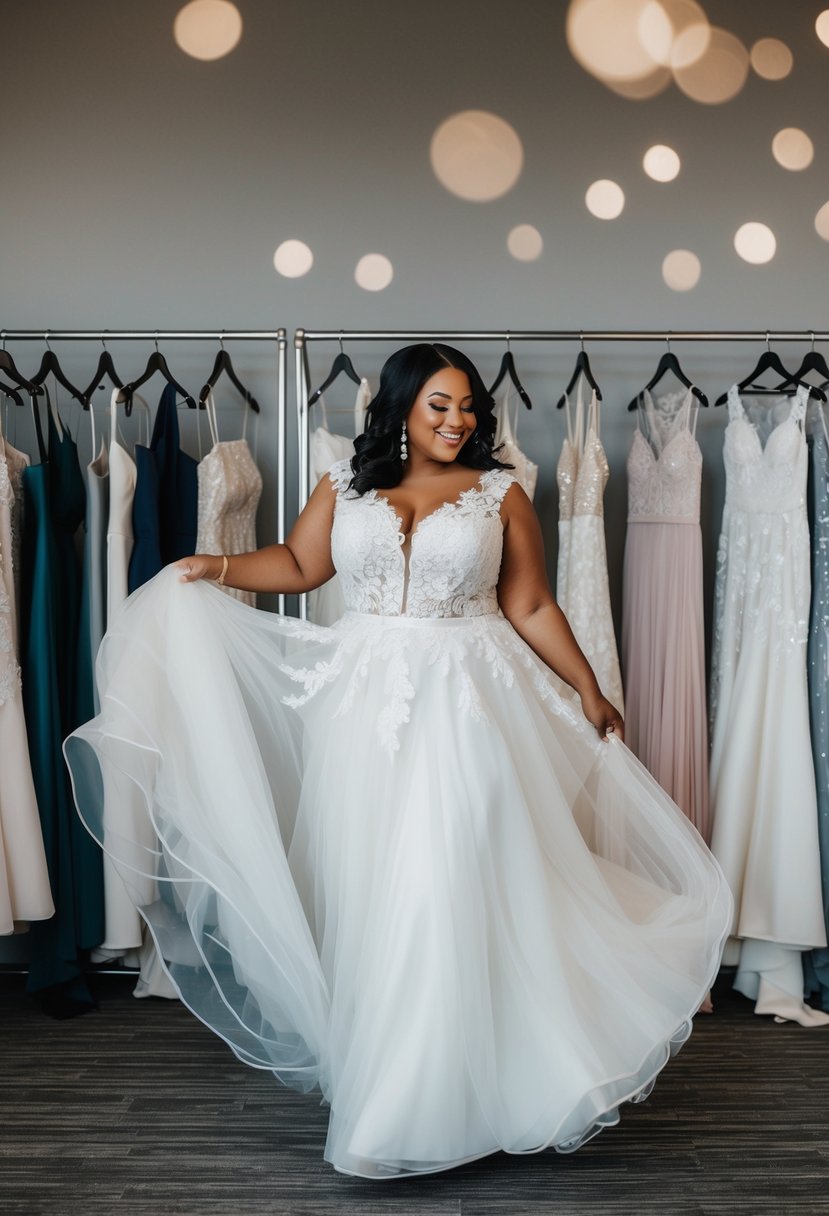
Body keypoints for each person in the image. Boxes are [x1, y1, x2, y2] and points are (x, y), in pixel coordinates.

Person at [64, 343, 731, 1180]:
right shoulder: (345, 483)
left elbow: (527, 601)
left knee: (448, 879)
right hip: (366, 713)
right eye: (439, 407)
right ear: (403, 408)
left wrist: (588, 688)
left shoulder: (501, 493)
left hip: (469, 709)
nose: (458, 423)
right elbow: (304, 567)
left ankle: (444, 1098)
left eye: (467, 410)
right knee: (377, 890)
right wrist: (218, 566)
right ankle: (401, 1087)